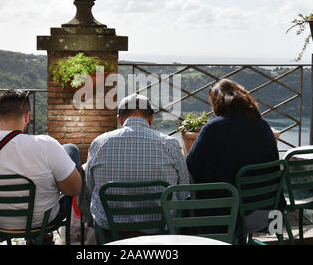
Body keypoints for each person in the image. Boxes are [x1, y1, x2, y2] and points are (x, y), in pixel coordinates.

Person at [0, 89, 82, 230]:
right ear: (27, 117)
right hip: (42, 222)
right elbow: (74, 189)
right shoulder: (47, 145)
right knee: (70, 150)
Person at [86, 93, 190, 242]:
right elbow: (183, 192)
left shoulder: (99, 143)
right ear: (151, 118)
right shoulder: (170, 144)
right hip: (160, 233)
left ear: (120, 119)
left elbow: (91, 186)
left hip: (111, 234)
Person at [186, 78, 281, 234]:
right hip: (268, 213)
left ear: (216, 103)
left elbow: (190, 168)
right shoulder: (263, 125)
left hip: (228, 219)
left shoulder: (212, 129)